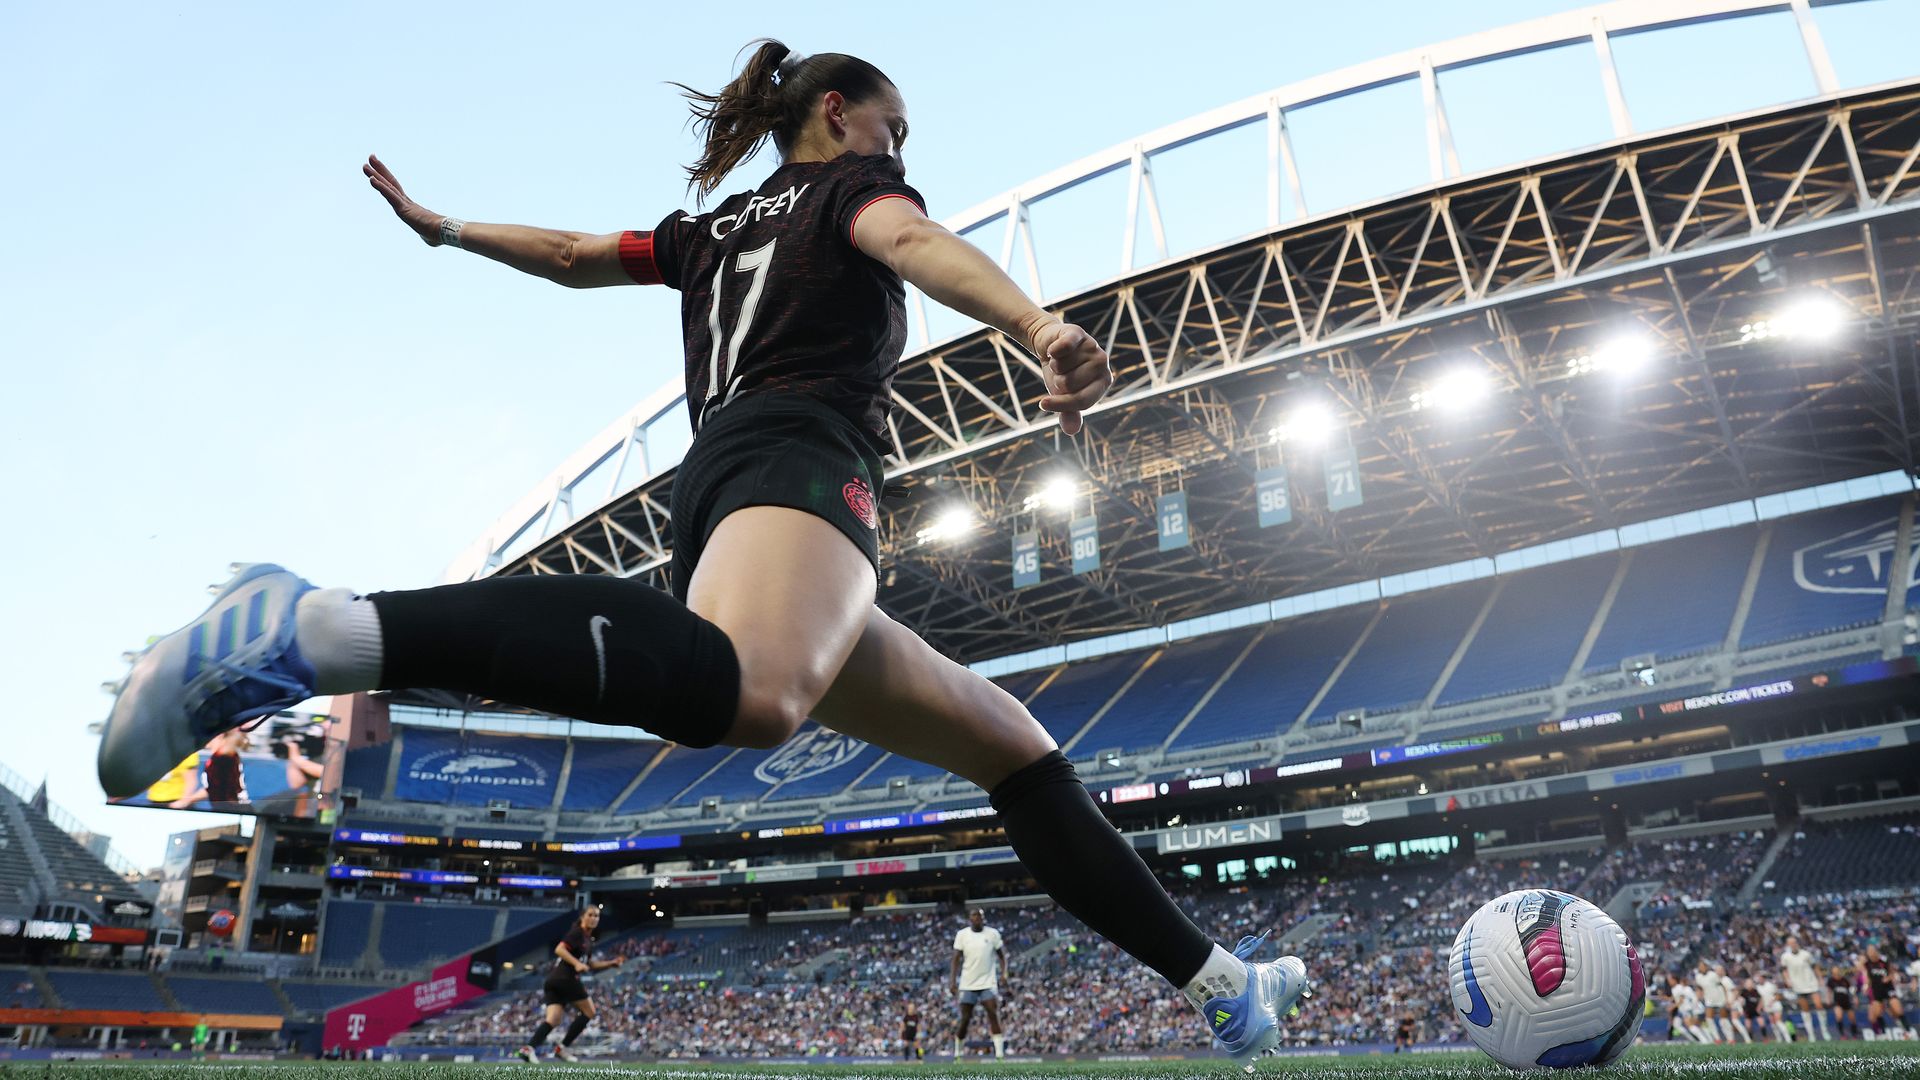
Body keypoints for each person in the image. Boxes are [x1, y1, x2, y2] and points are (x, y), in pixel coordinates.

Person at [95, 38, 1309, 1062]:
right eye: (895, 126)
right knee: (762, 695)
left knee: (1017, 752)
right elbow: (915, 247)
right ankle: (320, 631)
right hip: (798, 458)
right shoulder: (852, 193)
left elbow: (576, 257)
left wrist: (452, 230)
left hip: (730, 479)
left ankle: (1224, 990)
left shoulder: (713, 229)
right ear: (837, 115)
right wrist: (1038, 321)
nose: (905, 151)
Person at [518, 905, 623, 1063]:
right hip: (565, 978)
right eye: (591, 915)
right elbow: (560, 949)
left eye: (597, 916)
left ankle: (528, 1049)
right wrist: (576, 964)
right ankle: (562, 1048)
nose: (594, 918)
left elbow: (589, 964)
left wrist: (610, 964)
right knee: (590, 1012)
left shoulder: (588, 939)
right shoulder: (577, 933)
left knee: (553, 1019)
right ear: (582, 916)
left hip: (554, 980)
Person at [950, 908, 1008, 1059]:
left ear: (983, 918)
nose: (977, 918)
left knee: (993, 1013)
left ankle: (1000, 1053)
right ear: (970, 919)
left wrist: (1004, 972)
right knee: (965, 1018)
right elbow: (955, 959)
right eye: (974, 916)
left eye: (979, 916)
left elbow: (1002, 956)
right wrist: (952, 981)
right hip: (967, 983)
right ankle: (958, 1051)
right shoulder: (962, 935)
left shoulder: (992, 934)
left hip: (988, 982)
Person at [1780, 935, 1830, 1041]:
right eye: (1791, 943)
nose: (1793, 944)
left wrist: (1820, 978)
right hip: (1798, 985)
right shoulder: (1785, 957)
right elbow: (1784, 970)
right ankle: (1811, 1034)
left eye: (1794, 942)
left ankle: (1824, 1031)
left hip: (1811, 982)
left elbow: (1814, 966)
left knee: (1819, 1005)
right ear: (1788, 945)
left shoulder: (1806, 954)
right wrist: (1787, 980)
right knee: (1805, 1009)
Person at [1860, 944, 1909, 1040]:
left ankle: (1907, 1031)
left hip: (1888, 988)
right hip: (1876, 989)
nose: (1871, 953)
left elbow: (1892, 972)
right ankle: (1883, 1033)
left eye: (1872, 951)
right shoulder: (1867, 964)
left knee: (1897, 1009)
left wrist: (1888, 978)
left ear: (1876, 951)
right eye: (1869, 951)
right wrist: (1866, 986)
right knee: (1878, 1012)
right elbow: (1867, 978)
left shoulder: (1884, 961)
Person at [1829, 963, 1860, 1039]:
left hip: (1847, 1001)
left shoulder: (1845, 980)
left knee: (1852, 1018)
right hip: (1837, 1002)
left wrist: (1855, 998)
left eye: (1837, 972)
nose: (1836, 974)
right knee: (1839, 1016)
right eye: (1834, 973)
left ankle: (1854, 1035)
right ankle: (1842, 1035)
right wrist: (1829, 999)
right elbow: (1829, 991)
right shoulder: (1831, 981)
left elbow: (1851, 990)